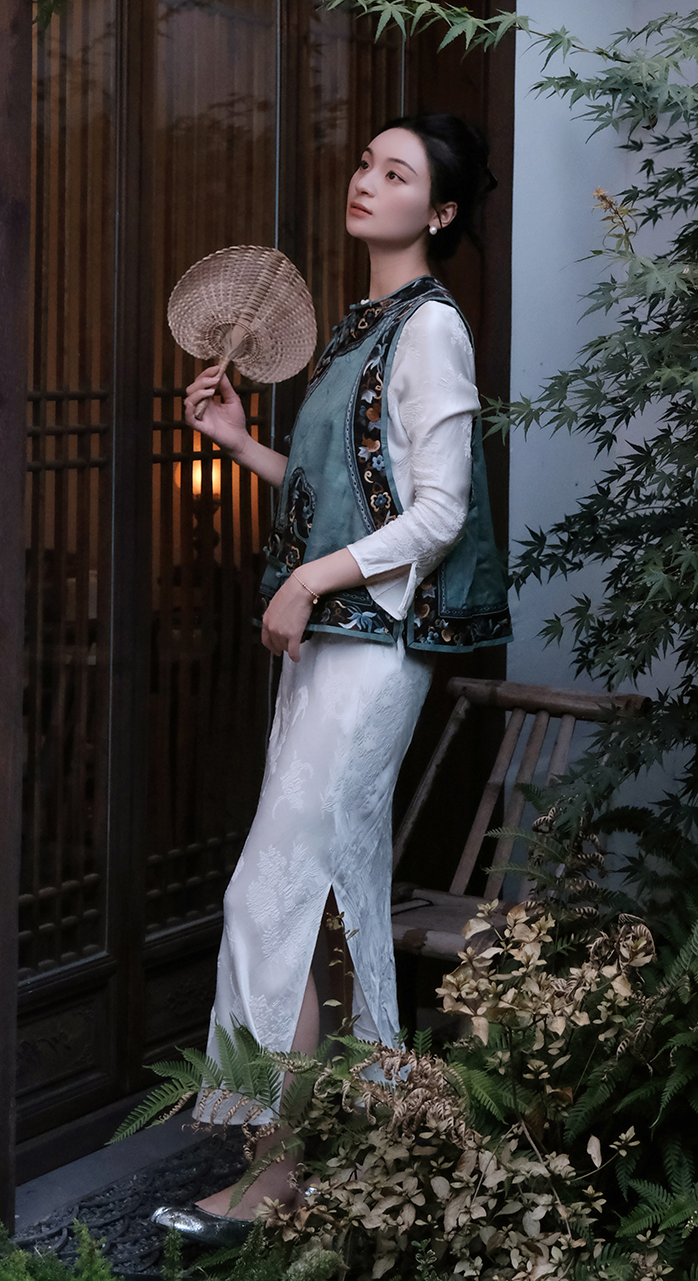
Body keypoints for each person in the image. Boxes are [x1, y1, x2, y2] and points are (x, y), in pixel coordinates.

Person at [152, 115, 512, 1246]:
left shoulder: (432, 330)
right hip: (333, 651)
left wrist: (305, 581)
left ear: (438, 212)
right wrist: (238, 444)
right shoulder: (366, 324)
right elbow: (342, 500)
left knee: (270, 896)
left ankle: (276, 1171)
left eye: (396, 174)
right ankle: (346, 1154)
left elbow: (440, 515)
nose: (367, 181)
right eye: (366, 163)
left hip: (372, 652)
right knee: (318, 905)